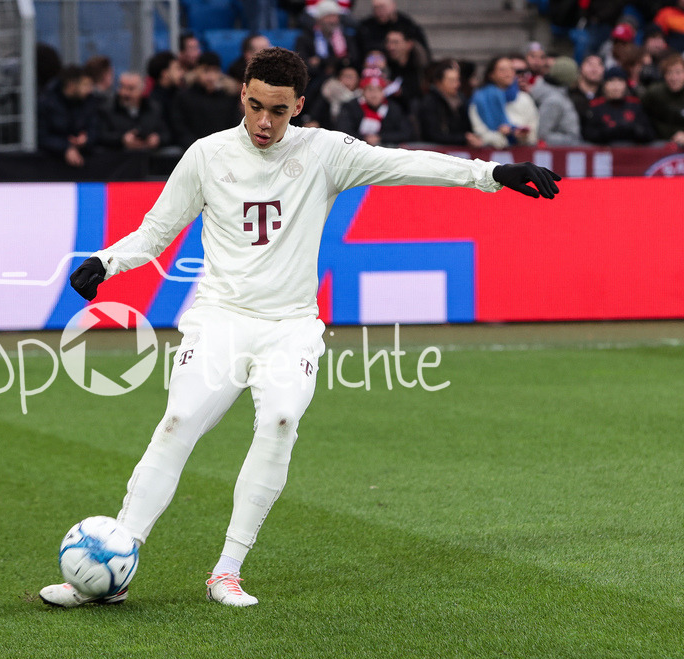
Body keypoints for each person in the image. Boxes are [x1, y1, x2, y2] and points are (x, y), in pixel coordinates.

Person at [40, 46, 560, 609]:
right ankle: (114, 563)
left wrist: (492, 173)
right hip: (220, 317)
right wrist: (108, 261)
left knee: (281, 421)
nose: (265, 122)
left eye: (279, 111)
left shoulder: (324, 152)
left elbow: (404, 164)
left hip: (290, 326)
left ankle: (226, 572)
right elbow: (156, 230)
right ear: (243, 94)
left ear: (300, 106)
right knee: (178, 422)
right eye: (256, 106)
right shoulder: (206, 155)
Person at [170, 52, 242, 149]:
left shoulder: (228, 98)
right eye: (206, 71)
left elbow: (234, 128)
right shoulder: (184, 97)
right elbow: (179, 128)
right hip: (192, 151)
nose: (211, 77)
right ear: (197, 70)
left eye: (215, 71)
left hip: (221, 151)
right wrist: (196, 148)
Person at [37, 65, 99, 168]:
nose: (90, 90)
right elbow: (41, 136)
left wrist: (86, 139)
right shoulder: (47, 102)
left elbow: (95, 128)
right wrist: (66, 147)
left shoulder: (89, 101)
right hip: (50, 164)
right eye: (85, 85)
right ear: (71, 85)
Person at [469, 56, 535, 148]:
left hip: (521, 151)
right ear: (491, 74)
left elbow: (533, 129)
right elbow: (479, 131)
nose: (508, 73)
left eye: (511, 69)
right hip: (489, 151)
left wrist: (520, 134)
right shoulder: (480, 99)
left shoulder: (524, 99)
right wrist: (501, 136)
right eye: (502, 70)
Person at [332, 71, 414, 144]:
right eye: (370, 90)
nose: (374, 95)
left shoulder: (393, 108)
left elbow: (406, 133)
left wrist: (380, 138)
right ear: (363, 92)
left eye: (379, 90)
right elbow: (343, 132)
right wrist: (365, 139)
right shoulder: (350, 107)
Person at [98, 71, 170, 151]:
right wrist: (121, 139)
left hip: (149, 155)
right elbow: (100, 135)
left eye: (131, 89)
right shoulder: (107, 109)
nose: (124, 93)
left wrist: (157, 139)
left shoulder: (154, 108)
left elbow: (166, 134)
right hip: (118, 155)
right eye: (122, 87)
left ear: (142, 90)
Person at [582, 66, 655, 144]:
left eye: (620, 81)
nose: (615, 87)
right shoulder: (596, 107)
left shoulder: (635, 105)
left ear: (625, 85)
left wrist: (633, 129)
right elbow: (588, 135)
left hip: (632, 149)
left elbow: (650, 134)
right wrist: (609, 132)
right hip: (605, 149)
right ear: (604, 85)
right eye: (611, 81)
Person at [418, 60, 483, 147]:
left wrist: (470, 138)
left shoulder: (461, 101)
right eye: (451, 81)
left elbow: (467, 128)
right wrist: (463, 138)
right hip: (437, 149)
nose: (456, 84)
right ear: (438, 82)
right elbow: (433, 134)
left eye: (457, 80)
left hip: (458, 149)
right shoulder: (430, 102)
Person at [295, 0, 360, 79]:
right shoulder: (305, 39)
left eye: (335, 16)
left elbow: (353, 60)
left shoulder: (346, 38)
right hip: (315, 80)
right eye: (328, 16)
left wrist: (320, 61)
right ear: (318, 19)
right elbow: (303, 66)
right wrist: (339, 61)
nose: (332, 20)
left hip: (340, 79)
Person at [529, 65, 583, 146]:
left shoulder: (560, 94)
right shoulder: (554, 100)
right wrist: (570, 140)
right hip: (563, 148)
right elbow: (543, 134)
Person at [357, 0, 429, 60]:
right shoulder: (366, 26)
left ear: (393, 6)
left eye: (382, 7)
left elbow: (422, 49)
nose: (379, 11)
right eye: (376, 8)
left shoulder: (406, 24)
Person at [641, 54, 684, 147]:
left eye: (678, 73)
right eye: (669, 73)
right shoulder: (654, 92)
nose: (674, 78)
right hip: (659, 142)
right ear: (664, 76)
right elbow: (640, 112)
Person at [383, 26, 426, 113]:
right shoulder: (385, 64)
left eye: (395, 42)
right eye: (388, 42)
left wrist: (401, 92)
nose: (390, 47)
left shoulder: (420, 68)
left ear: (409, 44)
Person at [146, 51, 186, 134]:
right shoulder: (154, 102)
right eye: (177, 69)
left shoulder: (182, 95)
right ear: (165, 73)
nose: (182, 73)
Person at [569, 54, 605, 125]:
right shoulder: (569, 94)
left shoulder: (607, 96)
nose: (594, 69)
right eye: (590, 64)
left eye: (599, 65)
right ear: (581, 67)